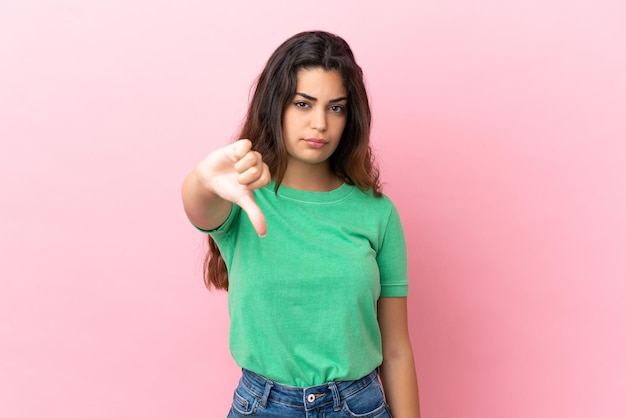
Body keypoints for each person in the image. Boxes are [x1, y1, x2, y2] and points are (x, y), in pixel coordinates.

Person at [182, 30, 420, 417]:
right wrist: (202, 178)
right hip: (262, 406)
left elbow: (396, 349)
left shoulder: (378, 214)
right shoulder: (242, 198)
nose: (320, 124)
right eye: (303, 104)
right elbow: (198, 204)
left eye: (336, 107)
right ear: (276, 106)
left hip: (358, 406)